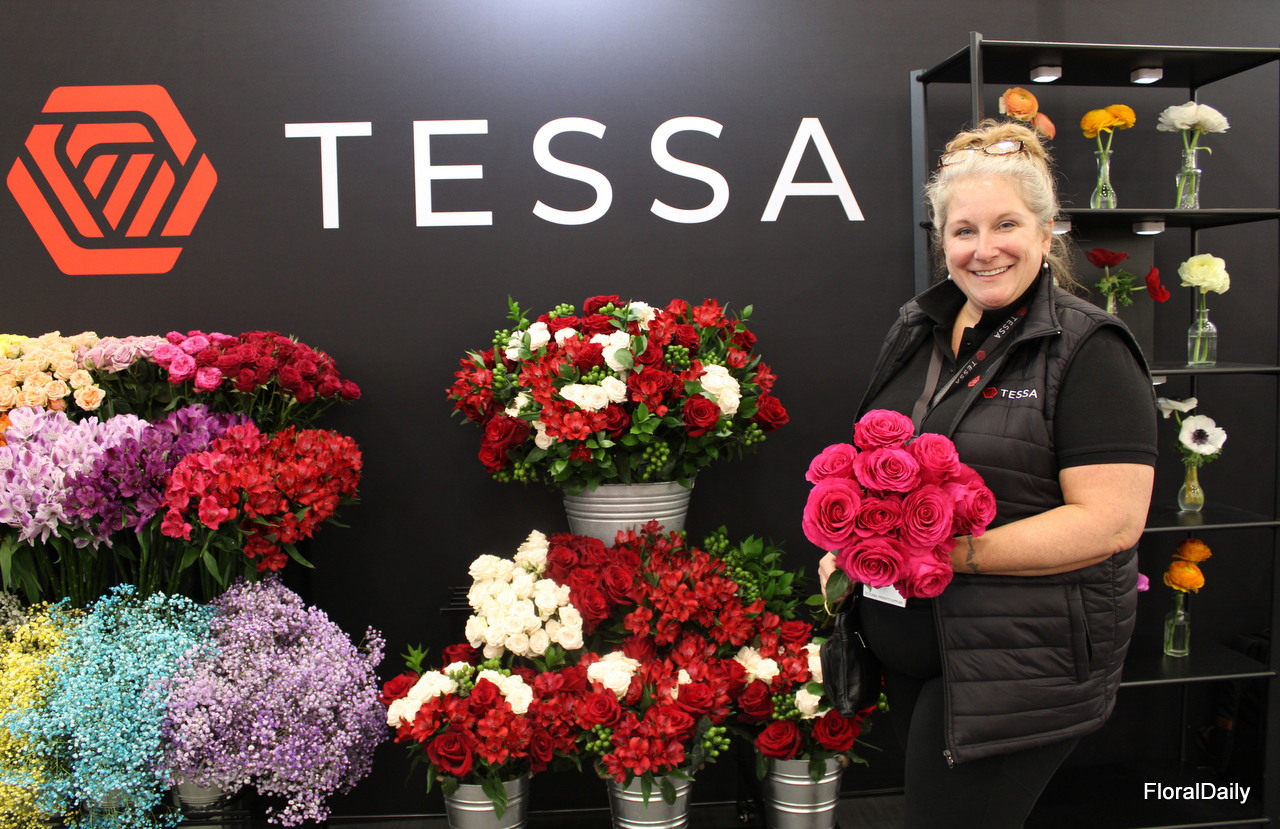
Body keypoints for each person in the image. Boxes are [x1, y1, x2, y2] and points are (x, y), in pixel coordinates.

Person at [818, 120, 1157, 828]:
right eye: (963, 230)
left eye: (1006, 224)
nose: (984, 248)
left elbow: (1110, 522)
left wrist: (940, 556)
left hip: (1014, 665)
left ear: (1046, 231)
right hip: (915, 649)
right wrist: (852, 546)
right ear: (941, 241)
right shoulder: (915, 328)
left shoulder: (1089, 347)